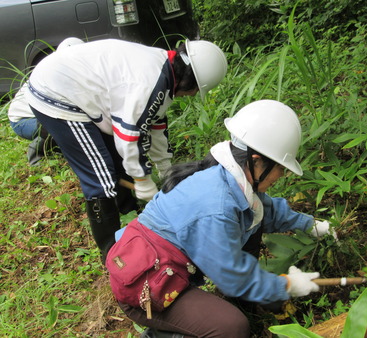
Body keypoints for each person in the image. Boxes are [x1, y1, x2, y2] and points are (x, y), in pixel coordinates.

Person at [109, 100, 335, 338]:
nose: (282, 175)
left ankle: (239, 301)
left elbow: (265, 210)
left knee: (254, 223)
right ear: (256, 160)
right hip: (147, 285)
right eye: (281, 168)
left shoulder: (230, 178)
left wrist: (310, 225)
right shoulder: (217, 207)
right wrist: (285, 286)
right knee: (230, 327)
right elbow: (231, 273)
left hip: (170, 267)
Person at [25, 38, 228, 261]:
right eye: (194, 92)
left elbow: (155, 125)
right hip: (56, 93)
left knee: (114, 159)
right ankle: (113, 254)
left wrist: (165, 168)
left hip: (78, 88)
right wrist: (142, 181)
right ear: (192, 83)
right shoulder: (147, 83)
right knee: (100, 178)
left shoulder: (166, 69)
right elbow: (129, 137)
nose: (190, 96)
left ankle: (130, 214)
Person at [8, 37, 85, 165]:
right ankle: (36, 151)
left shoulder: (68, 71)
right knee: (65, 125)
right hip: (22, 120)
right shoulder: (55, 73)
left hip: (41, 114)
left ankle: (58, 147)